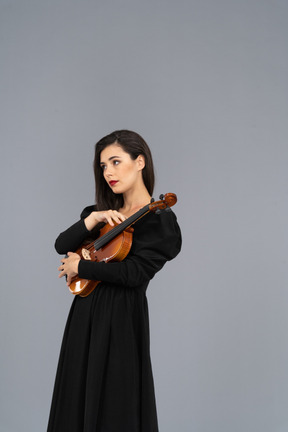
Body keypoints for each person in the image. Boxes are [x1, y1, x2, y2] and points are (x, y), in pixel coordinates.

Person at [47, 130, 182, 432]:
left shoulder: (158, 219)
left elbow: (134, 275)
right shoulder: (101, 216)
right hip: (84, 316)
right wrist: (93, 220)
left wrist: (82, 267)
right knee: (76, 396)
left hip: (121, 318)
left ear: (140, 162)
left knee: (114, 402)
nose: (108, 171)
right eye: (103, 166)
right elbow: (61, 244)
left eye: (115, 161)